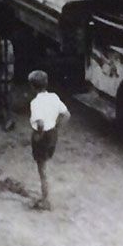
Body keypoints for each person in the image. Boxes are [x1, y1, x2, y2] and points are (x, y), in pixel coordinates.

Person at [27, 70, 70, 210]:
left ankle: (45, 200)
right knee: (44, 165)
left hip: (42, 135)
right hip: (52, 134)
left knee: (42, 169)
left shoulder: (35, 102)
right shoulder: (54, 97)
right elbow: (66, 115)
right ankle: (44, 196)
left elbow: (39, 123)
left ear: (33, 87)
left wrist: (38, 135)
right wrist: (57, 127)